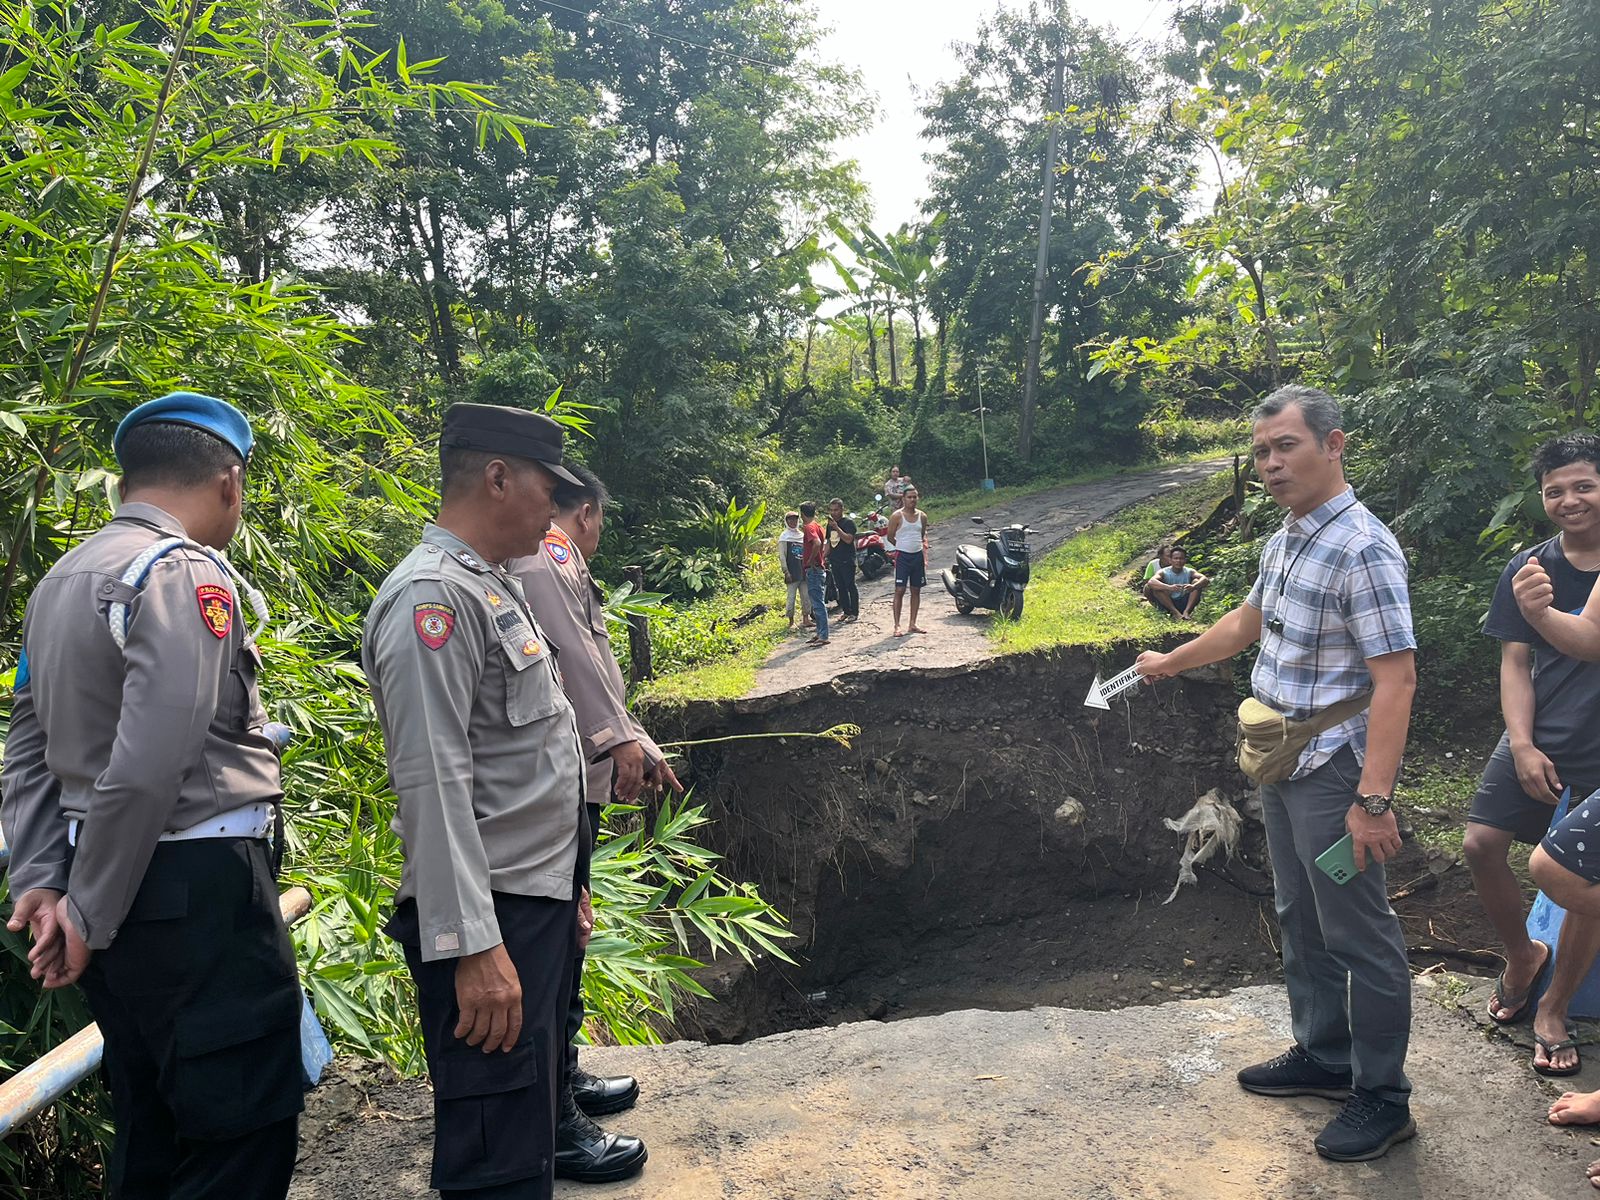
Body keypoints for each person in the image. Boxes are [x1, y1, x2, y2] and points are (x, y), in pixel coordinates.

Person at [0, 392, 303, 1199]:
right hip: (192, 894)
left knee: (153, 1121)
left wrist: (42, 880)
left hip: (102, 888)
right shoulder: (178, 572)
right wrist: (87, 913)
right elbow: (148, 764)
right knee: (238, 1132)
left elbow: (26, 750)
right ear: (231, 482)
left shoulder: (59, 583)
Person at [1136, 384, 1418, 1163]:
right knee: (1300, 915)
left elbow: (1396, 680)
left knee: (1361, 935)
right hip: (1283, 762)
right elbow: (1247, 622)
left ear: (1334, 444)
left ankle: (1383, 1097)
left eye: (1285, 445)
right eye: (1261, 451)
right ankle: (1325, 1056)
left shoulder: (1363, 545)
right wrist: (1170, 659)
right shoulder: (1289, 536)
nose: (1270, 463)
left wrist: (1373, 800)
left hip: (1338, 770)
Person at [363, 403, 622, 1200]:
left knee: (523, 1132)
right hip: (488, 922)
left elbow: (526, 762)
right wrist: (471, 945)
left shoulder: (492, 586)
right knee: (495, 1157)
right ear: (499, 477)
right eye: (547, 487)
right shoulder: (430, 601)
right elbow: (433, 783)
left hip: (525, 903)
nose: (555, 508)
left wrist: (564, 888)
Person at [508, 463, 680, 1184]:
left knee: (565, 941)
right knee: (554, 943)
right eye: (600, 521)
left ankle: (563, 1078)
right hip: (560, 778)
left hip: (571, 771)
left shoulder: (543, 556)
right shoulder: (551, 554)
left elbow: (593, 664)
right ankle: (553, 1120)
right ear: (586, 513)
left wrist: (627, 729)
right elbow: (580, 662)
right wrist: (619, 736)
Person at [1462, 434, 1600, 1078]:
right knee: (1481, 844)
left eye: (1584, 486)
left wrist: (1542, 613)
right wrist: (1520, 742)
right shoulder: (1530, 565)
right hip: (1541, 731)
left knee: (1578, 879)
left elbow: (1587, 641)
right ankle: (1523, 955)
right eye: (1555, 491)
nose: (1569, 501)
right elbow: (1516, 663)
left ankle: (1555, 1008)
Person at [886, 485, 929, 637]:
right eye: (909, 497)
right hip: (902, 556)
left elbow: (921, 534)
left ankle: (913, 623)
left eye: (914, 497)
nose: (912, 500)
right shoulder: (897, 516)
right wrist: (900, 546)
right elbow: (890, 536)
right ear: (903, 499)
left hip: (917, 556)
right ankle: (897, 625)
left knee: (916, 590)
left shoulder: (922, 516)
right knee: (900, 590)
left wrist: (923, 553)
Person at [1151, 546, 1209, 620]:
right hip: (1169, 602)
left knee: (1196, 582)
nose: (1178, 561)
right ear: (1170, 560)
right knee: (1156, 587)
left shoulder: (1189, 571)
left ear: (1185, 560)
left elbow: (1205, 579)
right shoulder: (1163, 572)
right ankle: (1175, 613)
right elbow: (1151, 582)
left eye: (1181, 558)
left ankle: (1186, 612)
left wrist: (1193, 586)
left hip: (1185, 601)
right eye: (1176, 558)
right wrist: (1169, 587)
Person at [800, 501, 829, 646]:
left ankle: (823, 635)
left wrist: (810, 560)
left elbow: (817, 543)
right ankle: (819, 633)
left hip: (814, 569)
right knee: (817, 602)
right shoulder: (818, 526)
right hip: (819, 568)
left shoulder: (809, 527)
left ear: (802, 514)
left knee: (817, 603)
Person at [827, 498, 859, 624]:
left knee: (850, 585)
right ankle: (846, 611)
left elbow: (848, 539)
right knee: (840, 587)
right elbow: (829, 542)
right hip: (835, 560)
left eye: (836, 510)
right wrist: (823, 556)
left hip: (847, 560)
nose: (833, 513)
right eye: (831, 510)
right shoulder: (829, 525)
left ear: (842, 509)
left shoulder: (848, 523)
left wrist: (837, 527)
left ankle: (854, 612)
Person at [778, 510, 811, 628]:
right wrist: (786, 571)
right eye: (790, 519)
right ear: (786, 521)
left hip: (803, 571)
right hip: (792, 572)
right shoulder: (784, 537)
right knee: (791, 598)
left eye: (795, 519)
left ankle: (806, 618)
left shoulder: (802, 536)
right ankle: (791, 621)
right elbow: (782, 556)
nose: (793, 521)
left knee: (806, 597)